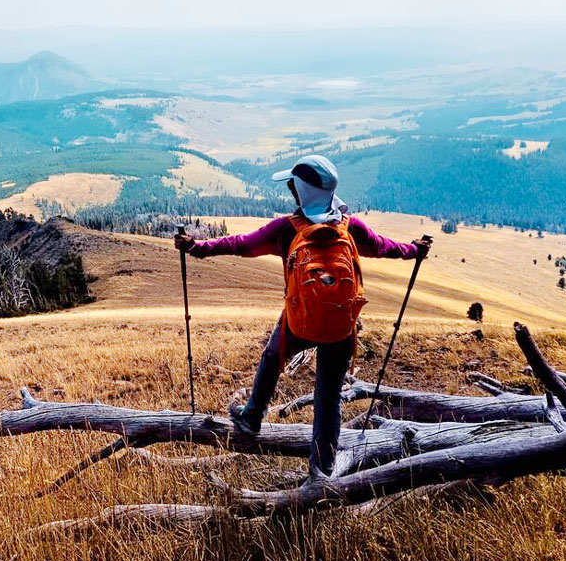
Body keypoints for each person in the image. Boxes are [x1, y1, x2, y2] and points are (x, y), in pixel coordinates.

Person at [174, 154, 430, 476]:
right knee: (329, 398)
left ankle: (252, 418)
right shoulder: (351, 228)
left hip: (299, 322)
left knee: (271, 358)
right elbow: (383, 247)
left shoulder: (287, 229)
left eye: (293, 185)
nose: (291, 189)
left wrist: (197, 247)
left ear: (301, 191)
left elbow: (241, 244)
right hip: (340, 326)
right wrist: (414, 249)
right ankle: (321, 469)